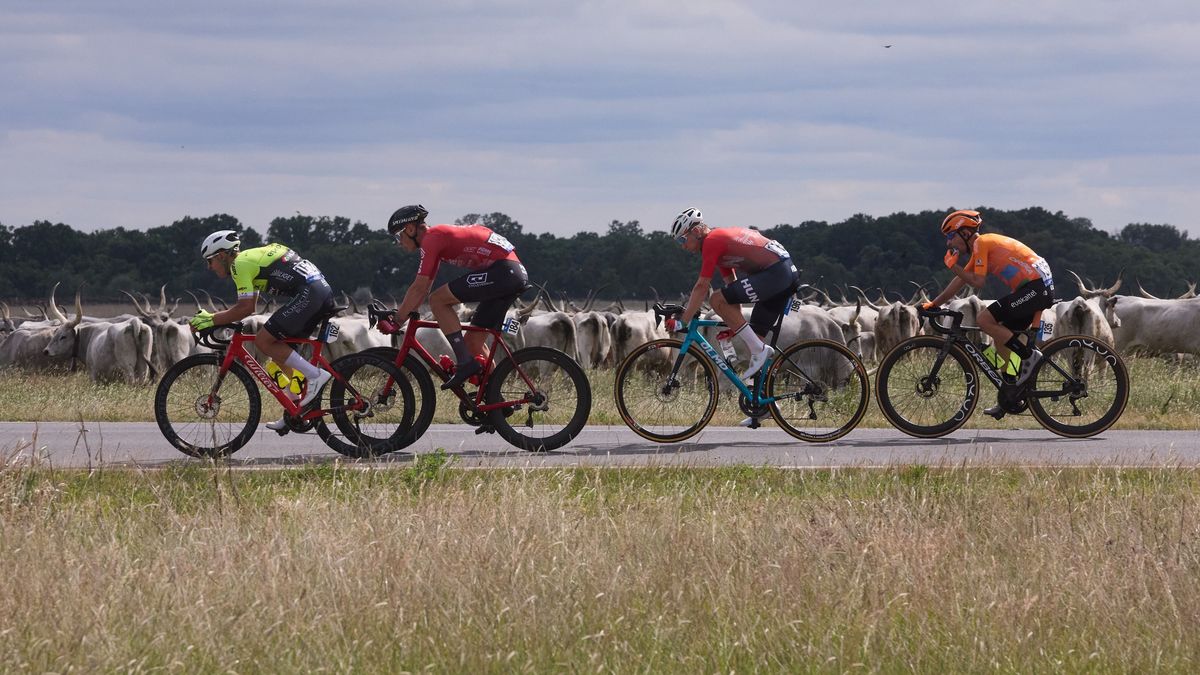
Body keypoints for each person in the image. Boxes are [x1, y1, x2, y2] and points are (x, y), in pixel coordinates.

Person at [190, 230, 335, 429]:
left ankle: (315, 375)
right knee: (280, 353)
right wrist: (219, 318)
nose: (209, 267)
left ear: (221, 255)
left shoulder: (239, 265)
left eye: (210, 261)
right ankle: (295, 411)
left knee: (263, 341)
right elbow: (251, 306)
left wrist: (212, 319)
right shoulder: (251, 260)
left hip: (310, 294)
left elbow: (246, 308)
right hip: (319, 292)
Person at [668, 208, 800, 426]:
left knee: (716, 299)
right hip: (781, 274)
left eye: (683, 239)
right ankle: (763, 407)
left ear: (698, 230)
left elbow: (702, 287)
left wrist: (684, 320)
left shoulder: (712, 241)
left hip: (776, 274)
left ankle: (759, 350)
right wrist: (735, 323)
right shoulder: (720, 245)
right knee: (754, 338)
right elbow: (733, 286)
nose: (683, 246)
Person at [922, 209, 1055, 418]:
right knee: (1001, 341)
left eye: (950, 236)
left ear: (965, 233)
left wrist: (953, 266)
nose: (949, 244)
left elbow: (977, 282)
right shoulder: (979, 248)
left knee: (984, 319)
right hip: (1032, 289)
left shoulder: (981, 243)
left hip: (1035, 289)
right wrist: (934, 303)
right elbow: (961, 280)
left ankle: (1030, 357)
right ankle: (1011, 394)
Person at [386, 205, 530, 390]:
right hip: (509, 273)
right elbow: (423, 288)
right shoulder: (436, 240)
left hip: (504, 272)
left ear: (411, 229)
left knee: (437, 300)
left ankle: (464, 363)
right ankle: (493, 398)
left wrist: (397, 320)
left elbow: (420, 288)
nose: (399, 242)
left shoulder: (432, 238)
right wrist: (404, 314)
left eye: (399, 236)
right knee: (472, 344)